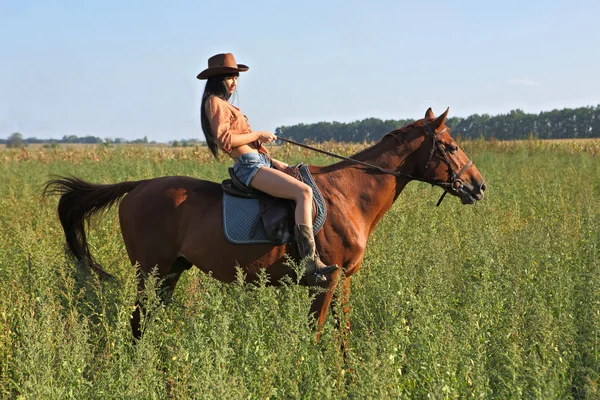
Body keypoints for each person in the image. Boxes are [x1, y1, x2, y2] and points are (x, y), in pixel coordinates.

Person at [197, 53, 338, 284]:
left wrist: (273, 161)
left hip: (258, 162)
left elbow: (247, 143)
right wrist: (259, 134)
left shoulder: (227, 106)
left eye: (236, 78)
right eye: (231, 77)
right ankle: (309, 260)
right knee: (303, 192)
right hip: (248, 167)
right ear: (218, 79)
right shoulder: (215, 103)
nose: (235, 83)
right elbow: (226, 140)